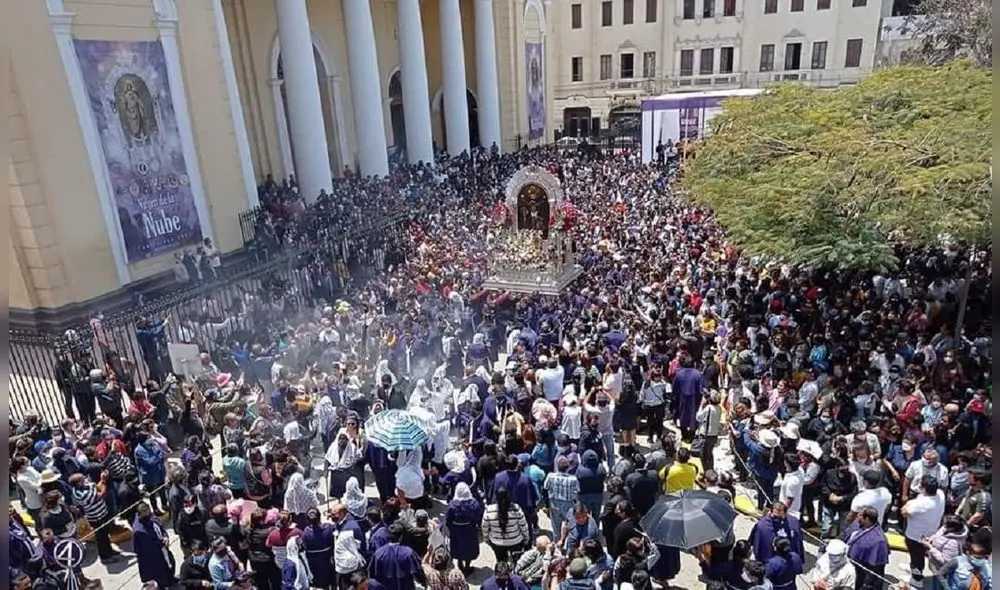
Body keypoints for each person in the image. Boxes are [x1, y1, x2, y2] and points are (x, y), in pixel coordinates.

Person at [902, 474, 947, 586]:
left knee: (917, 556)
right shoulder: (940, 494)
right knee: (917, 555)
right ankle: (913, 566)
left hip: (915, 536)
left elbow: (904, 512)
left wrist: (908, 503)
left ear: (924, 488)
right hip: (931, 532)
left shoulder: (920, 504)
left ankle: (917, 579)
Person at [840, 506, 890, 590]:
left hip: (861, 573)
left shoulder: (879, 541)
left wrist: (867, 585)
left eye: (860, 515)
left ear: (867, 519)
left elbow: (875, 569)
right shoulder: (858, 523)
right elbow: (845, 534)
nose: (857, 516)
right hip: (847, 564)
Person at [133, 502, 177, 589]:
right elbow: (147, 547)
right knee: (160, 573)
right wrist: (162, 543)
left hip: (162, 549)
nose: (150, 512)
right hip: (152, 557)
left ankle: (170, 579)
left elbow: (160, 527)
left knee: (170, 564)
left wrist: (165, 536)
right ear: (142, 513)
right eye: (147, 511)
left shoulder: (151, 517)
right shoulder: (140, 531)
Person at [370, 521, 426, 590]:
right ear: (401, 536)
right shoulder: (408, 553)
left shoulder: (379, 553)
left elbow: (372, 574)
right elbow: (418, 572)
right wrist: (424, 583)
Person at [482, 487, 530, 562]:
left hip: (497, 543)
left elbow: (484, 527)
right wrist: (526, 538)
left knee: (501, 562)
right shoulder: (516, 508)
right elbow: (523, 526)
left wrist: (486, 540)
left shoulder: (489, 510)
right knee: (517, 562)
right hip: (515, 541)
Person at [446, 482, 483, 572]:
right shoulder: (474, 504)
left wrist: (451, 528)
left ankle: (459, 562)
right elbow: (478, 516)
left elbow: (448, 520)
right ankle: (467, 566)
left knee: (458, 547)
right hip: (469, 530)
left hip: (456, 530)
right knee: (469, 548)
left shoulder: (452, 505)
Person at [301, 507, 336, 590]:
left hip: (313, 564)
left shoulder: (306, 532)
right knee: (330, 582)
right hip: (327, 561)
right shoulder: (328, 528)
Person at [695, 391, 723, 471]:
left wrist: (701, 405)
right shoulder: (719, 408)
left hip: (705, 436)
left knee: (703, 456)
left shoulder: (708, 408)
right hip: (714, 435)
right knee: (710, 454)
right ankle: (711, 470)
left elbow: (698, 418)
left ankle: (706, 472)